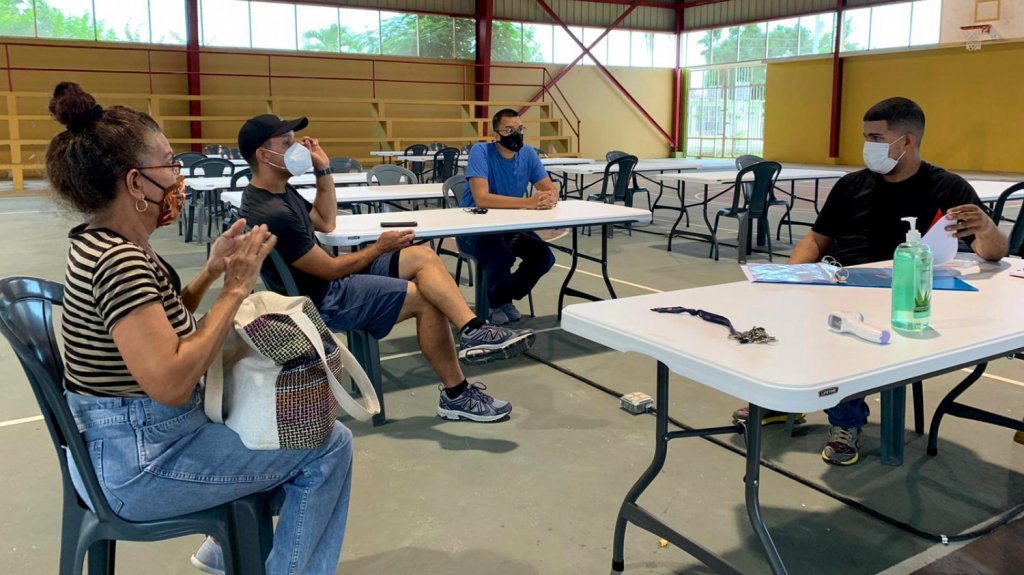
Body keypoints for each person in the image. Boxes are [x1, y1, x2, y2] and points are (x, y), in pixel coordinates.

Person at [48, 82, 353, 575]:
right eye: (169, 163)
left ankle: (224, 549)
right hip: (139, 463)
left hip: (126, 442)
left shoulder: (103, 242)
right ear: (134, 183)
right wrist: (235, 289)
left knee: (277, 423)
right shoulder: (119, 261)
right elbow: (169, 382)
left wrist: (211, 272)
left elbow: (160, 327)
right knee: (327, 444)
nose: (178, 175)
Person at [732, 97, 1008, 466]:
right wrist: (785, 279)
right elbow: (816, 239)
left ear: (906, 142)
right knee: (782, 318)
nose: (868, 147)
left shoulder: (947, 188)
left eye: (876, 137)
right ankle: (787, 401)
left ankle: (845, 423)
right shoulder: (851, 187)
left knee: (847, 335)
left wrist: (986, 227)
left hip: (907, 294)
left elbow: (992, 253)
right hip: (841, 282)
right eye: (866, 137)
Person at [237, 114, 534, 424]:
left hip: (328, 283)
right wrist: (379, 247)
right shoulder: (271, 211)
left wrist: (323, 169)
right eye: (287, 144)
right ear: (263, 154)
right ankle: (457, 395)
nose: (297, 148)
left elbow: (326, 222)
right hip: (321, 299)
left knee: (421, 255)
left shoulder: (278, 191)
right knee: (424, 299)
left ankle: (473, 330)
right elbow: (330, 271)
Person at [457, 108, 560, 325]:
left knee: (543, 257)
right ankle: (496, 303)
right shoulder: (481, 152)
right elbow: (482, 198)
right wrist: (529, 203)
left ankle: (502, 298)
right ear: (496, 135)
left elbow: (548, 187)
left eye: (519, 129)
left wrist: (549, 197)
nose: (516, 134)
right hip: (474, 226)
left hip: (509, 225)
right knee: (500, 256)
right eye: (509, 130)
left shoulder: (528, 154)